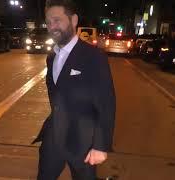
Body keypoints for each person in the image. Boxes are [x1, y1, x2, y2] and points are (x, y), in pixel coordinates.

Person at [32, 0, 116, 179]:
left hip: (83, 143)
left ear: (74, 20)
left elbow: (106, 103)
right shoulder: (51, 57)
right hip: (53, 139)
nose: (52, 26)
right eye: (48, 22)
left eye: (57, 20)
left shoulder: (94, 57)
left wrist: (100, 145)